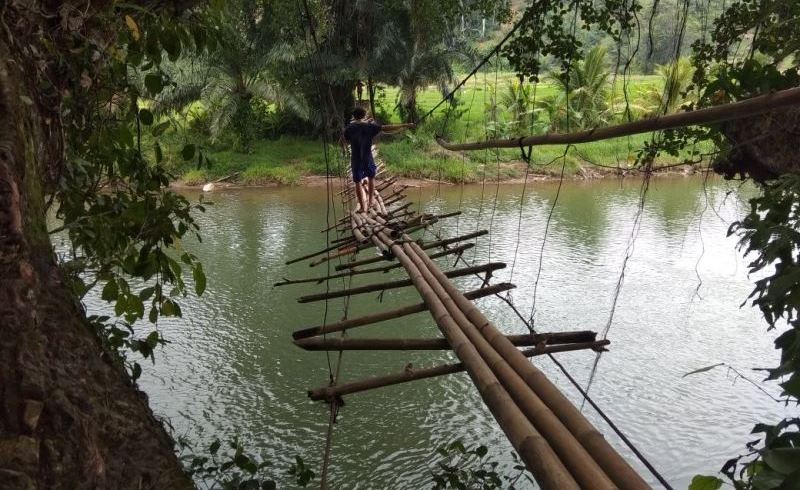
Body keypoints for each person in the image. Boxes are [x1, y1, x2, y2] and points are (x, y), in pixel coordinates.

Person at [343, 107, 414, 213]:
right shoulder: (369, 127)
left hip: (356, 158)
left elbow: (342, 139)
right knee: (371, 177)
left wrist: (344, 149)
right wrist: (405, 125)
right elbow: (386, 128)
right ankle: (371, 200)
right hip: (367, 156)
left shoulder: (349, 128)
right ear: (363, 116)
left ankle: (362, 207)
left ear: (354, 116)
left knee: (357, 182)